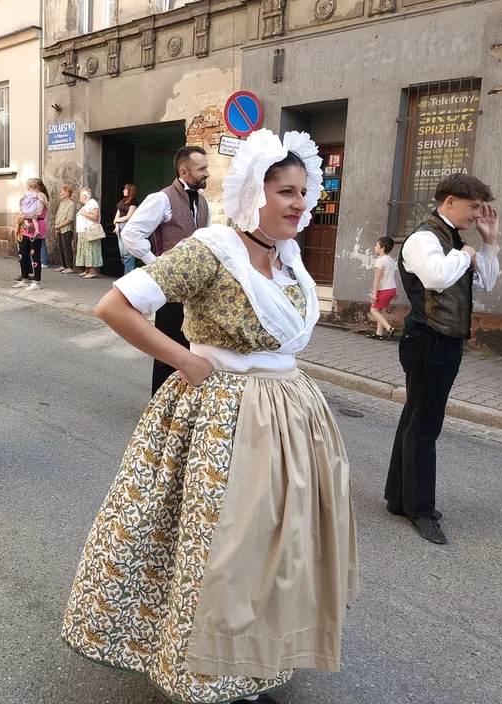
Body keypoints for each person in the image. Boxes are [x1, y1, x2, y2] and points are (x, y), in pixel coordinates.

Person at [62, 129, 358, 704]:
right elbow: (113, 304)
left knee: (279, 544)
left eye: (304, 191)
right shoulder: (212, 250)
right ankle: (211, 671)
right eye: (286, 192)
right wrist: (182, 360)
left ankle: (258, 659)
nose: (301, 203)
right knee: (222, 547)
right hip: (222, 418)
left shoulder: (290, 261)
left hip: (290, 414)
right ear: (255, 193)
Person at [385, 173, 500, 545]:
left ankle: (400, 499)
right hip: (427, 340)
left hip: (443, 342)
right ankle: (419, 508)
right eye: (473, 207)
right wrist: (465, 254)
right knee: (425, 425)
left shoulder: (455, 240)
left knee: (415, 417)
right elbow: (436, 278)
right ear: (450, 201)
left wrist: (488, 244)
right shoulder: (423, 238)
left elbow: (487, 282)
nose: (477, 214)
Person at [121, 146, 210, 396]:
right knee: (168, 349)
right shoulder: (162, 198)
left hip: (197, 291)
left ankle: (185, 402)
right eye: (201, 169)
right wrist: (156, 264)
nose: (207, 173)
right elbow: (131, 233)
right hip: (171, 290)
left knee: (193, 349)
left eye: (206, 168)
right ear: (184, 171)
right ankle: (160, 407)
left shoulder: (203, 203)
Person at [12, 178, 48, 291]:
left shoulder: (41, 195)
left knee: (35, 253)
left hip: (37, 225)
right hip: (27, 227)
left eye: (29, 186)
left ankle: (37, 282)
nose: (27, 188)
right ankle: (24, 278)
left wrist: (24, 216)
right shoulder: (30, 195)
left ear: (34, 186)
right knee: (22, 252)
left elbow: (37, 213)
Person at [367, 236, 397, 339]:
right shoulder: (391, 260)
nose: (375, 247)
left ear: (382, 248)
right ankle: (379, 333)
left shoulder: (380, 261)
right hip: (391, 288)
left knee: (374, 310)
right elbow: (391, 276)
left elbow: (377, 279)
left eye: (377, 245)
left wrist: (374, 294)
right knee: (381, 311)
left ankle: (389, 328)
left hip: (383, 289)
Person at [73, 187, 101, 278]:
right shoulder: (87, 204)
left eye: (80, 195)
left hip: (89, 230)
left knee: (90, 250)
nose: (79, 197)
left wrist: (85, 214)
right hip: (83, 231)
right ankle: (87, 269)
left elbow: (95, 217)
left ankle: (92, 271)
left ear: (85, 196)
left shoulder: (93, 203)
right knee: (85, 250)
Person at [112, 183, 139, 275]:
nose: (124, 191)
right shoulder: (122, 202)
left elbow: (128, 216)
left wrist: (116, 220)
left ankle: (128, 274)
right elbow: (117, 213)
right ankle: (128, 273)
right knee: (123, 254)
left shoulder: (133, 202)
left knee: (128, 253)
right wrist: (116, 225)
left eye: (126, 189)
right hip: (120, 226)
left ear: (130, 190)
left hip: (127, 226)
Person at [53, 185, 76, 273]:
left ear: (68, 193)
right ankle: (63, 265)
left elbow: (69, 219)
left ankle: (69, 267)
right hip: (59, 228)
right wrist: (56, 225)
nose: (61, 193)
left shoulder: (71, 204)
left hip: (66, 229)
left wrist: (59, 226)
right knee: (61, 247)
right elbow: (58, 215)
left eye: (63, 192)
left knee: (67, 247)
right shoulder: (62, 203)